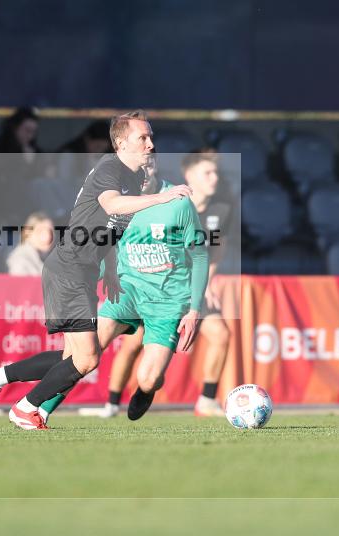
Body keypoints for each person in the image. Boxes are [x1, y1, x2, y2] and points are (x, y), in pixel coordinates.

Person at [0, 110, 193, 430]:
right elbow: (112, 206)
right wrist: (163, 197)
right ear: (120, 143)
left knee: (74, 358)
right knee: (87, 359)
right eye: (142, 137)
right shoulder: (110, 167)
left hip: (83, 270)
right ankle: (26, 408)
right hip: (70, 268)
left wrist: (113, 270)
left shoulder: (131, 179)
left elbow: (111, 229)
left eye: (151, 137)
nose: (150, 143)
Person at [81, 150, 236, 417]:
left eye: (216, 173)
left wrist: (208, 281)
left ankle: (205, 399)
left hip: (186, 289)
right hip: (149, 283)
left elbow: (214, 251)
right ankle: (112, 404)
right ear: (189, 175)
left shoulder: (221, 210)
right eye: (207, 173)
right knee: (131, 344)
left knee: (221, 335)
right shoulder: (165, 200)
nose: (214, 179)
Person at [0, 107, 43, 225]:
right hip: (3, 200)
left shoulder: (33, 149)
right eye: (26, 130)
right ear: (15, 128)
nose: (30, 136)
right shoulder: (1, 147)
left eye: (33, 132)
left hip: (31, 201)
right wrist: (25, 163)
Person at [6, 211, 54, 276]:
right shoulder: (20, 262)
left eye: (50, 231)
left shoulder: (50, 257)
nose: (47, 236)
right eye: (40, 232)